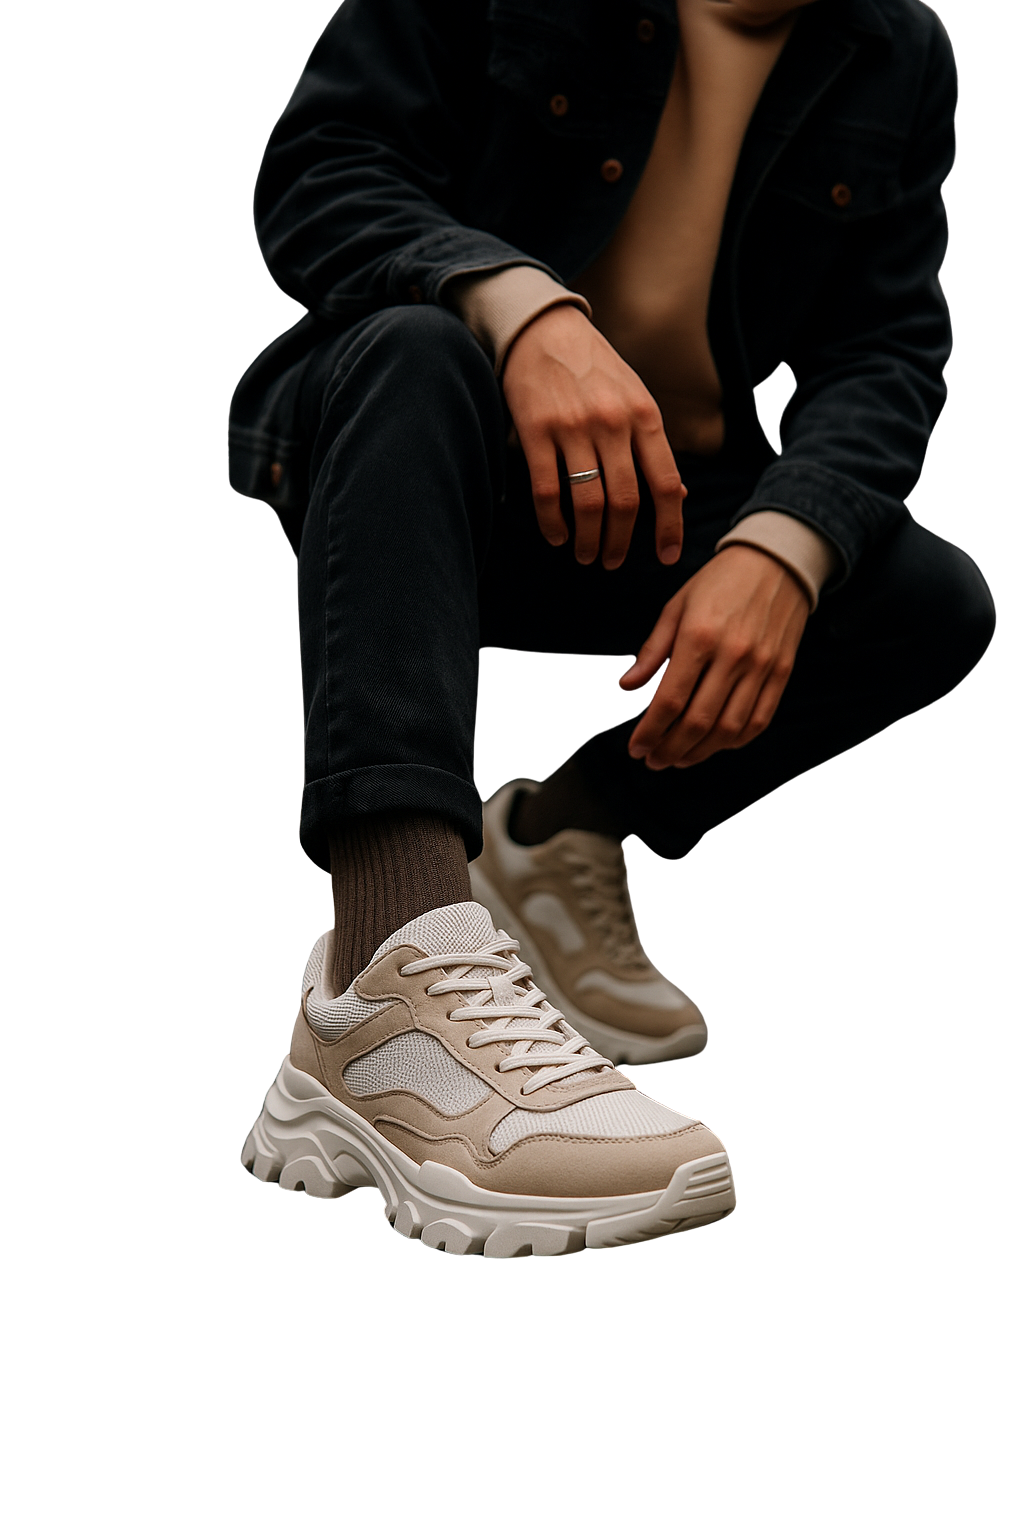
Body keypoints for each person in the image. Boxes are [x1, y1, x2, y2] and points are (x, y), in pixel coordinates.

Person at [232, 0, 995, 1257]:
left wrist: (781, 546)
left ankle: (550, 843)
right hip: (415, 469)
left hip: (656, 511)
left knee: (926, 595)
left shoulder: (898, 46)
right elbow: (318, 176)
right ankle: (380, 984)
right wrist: (521, 309)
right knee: (415, 351)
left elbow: (887, 351)